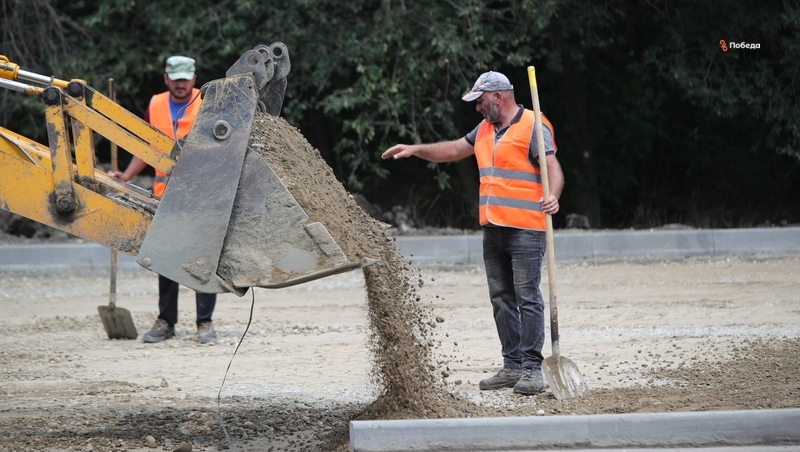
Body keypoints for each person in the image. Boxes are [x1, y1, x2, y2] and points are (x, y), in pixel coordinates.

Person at [381, 71, 564, 395]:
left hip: (525, 228)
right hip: (493, 227)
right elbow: (452, 150)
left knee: (528, 298)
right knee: (501, 299)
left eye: (480, 101)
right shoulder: (484, 129)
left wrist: (554, 196)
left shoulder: (533, 125)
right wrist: (415, 149)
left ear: (498, 97)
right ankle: (512, 366)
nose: (477, 107)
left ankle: (533, 369)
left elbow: (553, 168)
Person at [109, 55, 218, 344]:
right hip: (165, 199)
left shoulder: (208, 102)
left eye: (186, 79)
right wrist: (126, 176)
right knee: (165, 260)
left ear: (194, 79)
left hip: (201, 196)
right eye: (176, 79)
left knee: (202, 260)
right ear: (166, 78)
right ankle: (165, 321)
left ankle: (204, 323)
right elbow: (147, 146)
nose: (181, 84)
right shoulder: (156, 104)